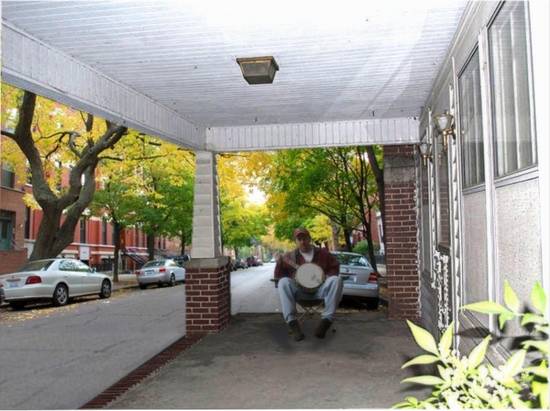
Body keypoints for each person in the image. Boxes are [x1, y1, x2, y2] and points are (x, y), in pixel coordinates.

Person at [274, 228, 343, 341]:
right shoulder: (289, 256)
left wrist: (327, 276)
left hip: (320, 292)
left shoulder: (323, 253)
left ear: (309, 239)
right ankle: (292, 323)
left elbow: (335, 267)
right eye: (299, 239)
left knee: (336, 279)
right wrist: (279, 263)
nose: (302, 241)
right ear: (295, 241)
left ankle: (326, 321)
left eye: (304, 238)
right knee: (283, 282)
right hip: (300, 294)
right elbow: (279, 276)